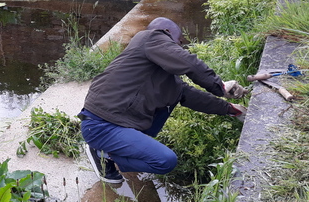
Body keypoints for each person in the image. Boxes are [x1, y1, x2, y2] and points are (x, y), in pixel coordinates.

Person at [79, 17, 246, 184]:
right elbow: (189, 63)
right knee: (165, 161)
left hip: (118, 123)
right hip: (101, 124)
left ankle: (112, 152)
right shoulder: (149, 37)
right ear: (166, 32)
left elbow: (193, 96)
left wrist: (231, 109)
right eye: (179, 42)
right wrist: (221, 86)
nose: (180, 47)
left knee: (176, 95)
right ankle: (104, 153)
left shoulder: (164, 76)